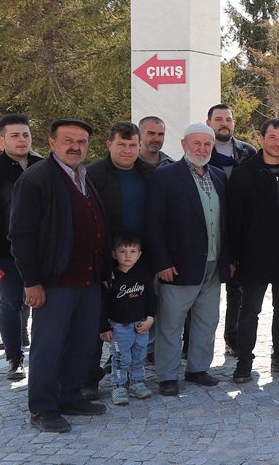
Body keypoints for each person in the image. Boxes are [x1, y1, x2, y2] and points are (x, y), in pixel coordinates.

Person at [9, 118, 108, 432]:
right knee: (48, 346)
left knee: (81, 343)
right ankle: (42, 407)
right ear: (51, 142)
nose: (75, 146)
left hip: (88, 279)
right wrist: (31, 281)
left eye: (81, 141)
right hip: (54, 281)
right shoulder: (37, 178)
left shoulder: (83, 175)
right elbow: (21, 235)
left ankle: (69, 396)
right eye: (68, 140)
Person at [146, 123, 233, 397]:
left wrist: (228, 258)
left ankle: (197, 368)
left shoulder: (219, 177)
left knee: (207, 321)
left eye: (207, 144)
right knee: (171, 323)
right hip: (178, 265)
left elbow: (226, 223)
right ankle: (168, 375)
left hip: (213, 264)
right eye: (196, 143)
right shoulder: (166, 177)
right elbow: (153, 224)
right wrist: (162, 262)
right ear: (184, 145)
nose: (202, 149)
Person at [227, 119, 279, 382]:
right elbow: (233, 218)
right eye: (272, 137)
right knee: (250, 309)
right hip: (253, 255)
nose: (277, 143)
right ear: (261, 138)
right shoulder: (244, 173)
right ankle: (244, 361)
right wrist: (233, 255)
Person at [83, 121, 155, 398]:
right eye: (121, 144)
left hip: (139, 260)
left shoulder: (150, 174)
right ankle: (90, 378)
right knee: (99, 321)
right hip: (105, 260)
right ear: (109, 145)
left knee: (136, 319)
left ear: (139, 146)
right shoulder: (92, 175)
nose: (127, 150)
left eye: (132, 145)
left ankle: (134, 376)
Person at [0, 114, 41, 379]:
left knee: (44, 304)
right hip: (6, 253)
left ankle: (44, 354)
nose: (21, 140)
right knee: (12, 302)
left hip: (43, 251)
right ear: (1, 141)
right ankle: (14, 357)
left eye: (25, 134)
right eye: (15, 135)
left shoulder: (44, 166)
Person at [205, 104, 255, 360]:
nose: (224, 123)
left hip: (240, 229)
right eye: (219, 119)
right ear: (209, 122)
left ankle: (233, 340)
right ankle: (191, 345)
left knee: (238, 289)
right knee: (202, 289)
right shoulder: (201, 149)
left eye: (228, 119)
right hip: (209, 227)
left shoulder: (248, 152)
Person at [98, 232, 156, 405]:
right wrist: (103, 327)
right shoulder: (111, 278)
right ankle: (119, 386)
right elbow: (103, 305)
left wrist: (150, 319)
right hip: (119, 326)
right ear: (114, 254)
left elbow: (151, 299)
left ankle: (137, 382)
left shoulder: (144, 276)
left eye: (132, 251)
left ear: (139, 255)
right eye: (123, 251)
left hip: (141, 325)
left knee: (139, 355)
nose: (128, 255)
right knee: (120, 357)